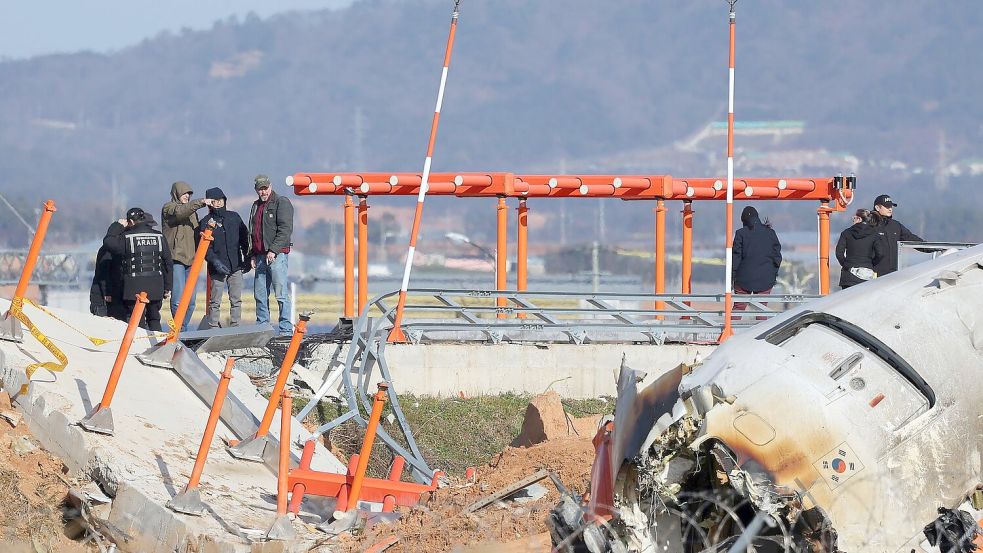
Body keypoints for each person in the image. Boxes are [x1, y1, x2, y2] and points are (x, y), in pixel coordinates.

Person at [102, 208, 173, 331]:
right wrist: (168, 287)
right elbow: (168, 263)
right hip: (156, 285)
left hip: (133, 287)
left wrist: (117, 225)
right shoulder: (159, 236)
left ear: (131, 221)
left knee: (137, 319)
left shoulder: (127, 237)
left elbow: (108, 242)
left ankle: (139, 345)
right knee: (154, 318)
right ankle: (158, 347)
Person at [161, 181, 213, 331]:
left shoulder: (192, 213)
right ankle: (178, 330)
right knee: (177, 299)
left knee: (191, 301)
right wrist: (202, 201)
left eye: (189, 194)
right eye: (184, 193)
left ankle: (183, 327)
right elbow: (180, 212)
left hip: (192, 261)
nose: (187, 196)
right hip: (176, 259)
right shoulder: (169, 208)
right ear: (177, 193)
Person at [248, 174, 294, 334]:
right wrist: (252, 254)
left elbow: (285, 230)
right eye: (260, 189)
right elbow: (253, 232)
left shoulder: (281, 202)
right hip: (259, 257)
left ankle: (286, 330)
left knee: (281, 294)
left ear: (271, 186)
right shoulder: (255, 206)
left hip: (277, 256)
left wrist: (273, 250)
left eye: (265, 188)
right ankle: (263, 328)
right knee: (260, 295)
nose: (263, 192)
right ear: (256, 190)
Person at [200, 187, 250, 327]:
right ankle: (213, 327)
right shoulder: (205, 222)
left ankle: (235, 326)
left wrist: (246, 257)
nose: (218, 203)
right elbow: (204, 249)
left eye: (220, 200)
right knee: (215, 301)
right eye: (215, 201)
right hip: (217, 269)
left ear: (224, 200)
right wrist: (214, 262)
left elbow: (244, 239)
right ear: (210, 203)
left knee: (236, 300)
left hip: (236, 266)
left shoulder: (234, 217)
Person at [732, 206, 782, 318]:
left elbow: (736, 257)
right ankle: (761, 335)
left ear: (743, 220)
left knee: (739, 307)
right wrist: (773, 273)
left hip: (743, 278)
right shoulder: (770, 233)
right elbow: (777, 256)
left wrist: (733, 276)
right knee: (761, 308)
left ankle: (731, 334)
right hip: (765, 278)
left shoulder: (740, 234)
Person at [872, 194, 923, 276]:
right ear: (877, 208)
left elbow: (912, 239)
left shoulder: (896, 225)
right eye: (887, 207)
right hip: (874, 274)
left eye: (891, 206)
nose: (890, 209)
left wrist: (932, 248)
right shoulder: (870, 225)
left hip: (893, 274)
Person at [836, 209, 886, 289]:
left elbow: (839, 253)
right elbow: (880, 253)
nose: (853, 220)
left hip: (848, 276)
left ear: (859, 219)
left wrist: (846, 265)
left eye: (854, 218)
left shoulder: (846, 233)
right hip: (866, 275)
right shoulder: (874, 234)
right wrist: (871, 264)